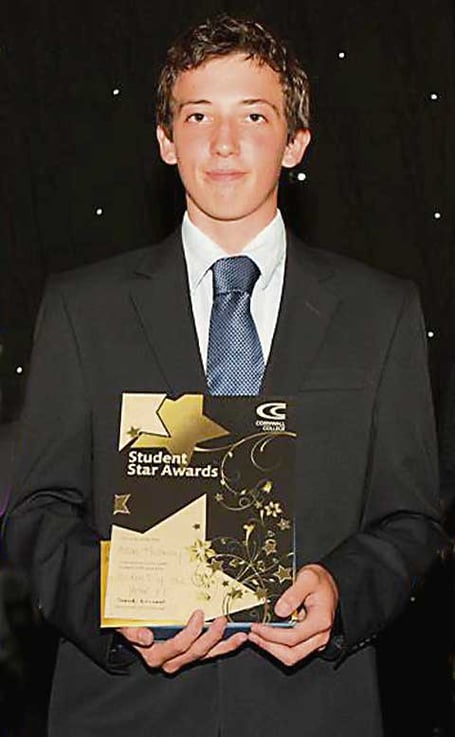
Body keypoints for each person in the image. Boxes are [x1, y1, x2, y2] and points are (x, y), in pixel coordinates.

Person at [3, 14, 446, 737]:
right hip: (122, 710)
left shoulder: (380, 311)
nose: (224, 143)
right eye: (198, 115)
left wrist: (341, 589)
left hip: (314, 711)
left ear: (295, 142)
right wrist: (115, 606)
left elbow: (412, 519)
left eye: (254, 116)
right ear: (165, 139)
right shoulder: (83, 308)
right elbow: (37, 510)